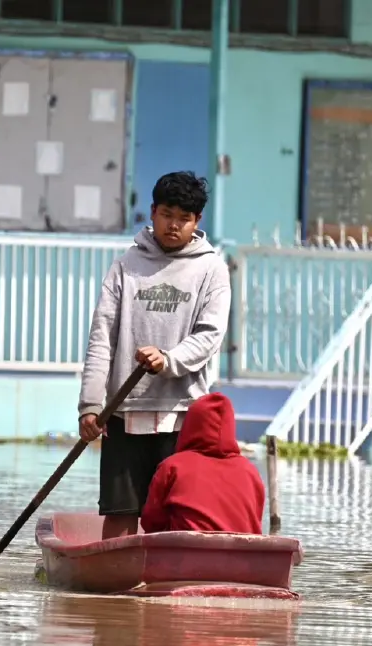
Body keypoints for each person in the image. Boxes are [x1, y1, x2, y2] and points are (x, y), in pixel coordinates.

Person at [78, 171, 230, 540]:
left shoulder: (211, 269)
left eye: (184, 218)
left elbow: (209, 336)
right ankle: (116, 576)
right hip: (123, 410)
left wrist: (169, 359)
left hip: (183, 414)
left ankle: (171, 576)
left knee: (179, 516)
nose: (173, 225)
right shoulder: (126, 266)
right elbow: (102, 338)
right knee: (120, 514)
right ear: (152, 212)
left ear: (197, 221)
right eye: (166, 214)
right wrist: (90, 405)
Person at [140, 392, 265, 535]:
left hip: (183, 548)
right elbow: (255, 523)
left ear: (190, 425)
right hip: (242, 549)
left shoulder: (172, 466)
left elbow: (151, 523)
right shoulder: (250, 471)